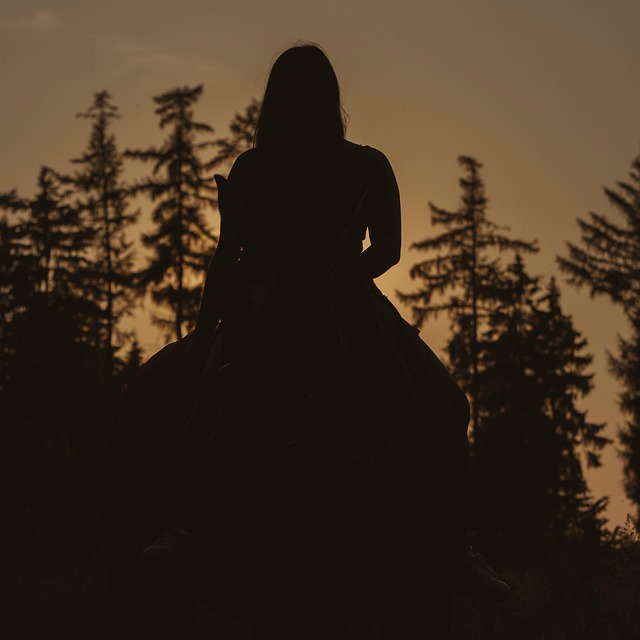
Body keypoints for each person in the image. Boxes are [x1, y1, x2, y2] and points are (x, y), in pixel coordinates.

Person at [141, 42, 510, 637]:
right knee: (213, 392)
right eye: (290, 89)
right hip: (263, 312)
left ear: (330, 96)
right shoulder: (250, 169)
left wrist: (339, 280)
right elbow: (225, 255)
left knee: (448, 398)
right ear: (273, 99)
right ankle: (184, 525)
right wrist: (205, 328)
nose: (301, 100)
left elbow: (387, 247)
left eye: (312, 89)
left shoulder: (365, 165)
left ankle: (452, 549)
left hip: (346, 297)